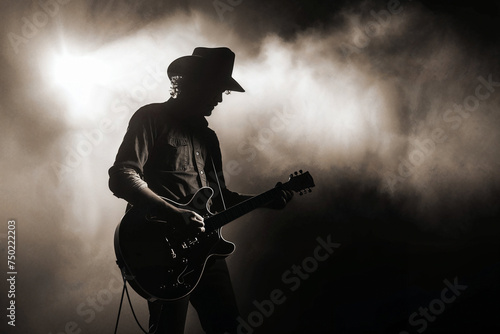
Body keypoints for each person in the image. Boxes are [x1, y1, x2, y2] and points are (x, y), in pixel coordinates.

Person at [108, 47, 293, 334]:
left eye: (223, 91)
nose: (219, 99)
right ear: (193, 83)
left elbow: (220, 199)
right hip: (161, 250)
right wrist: (174, 215)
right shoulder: (151, 118)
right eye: (216, 89)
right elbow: (122, 175)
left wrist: (265, 201)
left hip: (208, 251)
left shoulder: (208, 138)